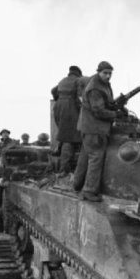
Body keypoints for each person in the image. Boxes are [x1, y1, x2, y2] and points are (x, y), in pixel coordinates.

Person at [73, 61, 118, 201]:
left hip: (90, 128)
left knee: (86, 157)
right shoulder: (95, 88)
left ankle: (77, 184)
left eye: (110, 73)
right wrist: (115, 114)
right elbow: (98, 111)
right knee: (96, 158)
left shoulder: (102, 84)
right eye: (105, 73)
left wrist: (116, 105)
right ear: (99, 72)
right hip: (95, 129)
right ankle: (89, 191)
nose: (108, 76)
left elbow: (106, 103)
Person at [52, 65, 88, 173]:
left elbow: (53, 90)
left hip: (58, 107)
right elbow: (79, 97)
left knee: (65, 134)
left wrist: (59, 99)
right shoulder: (78, 81)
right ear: (79, 74)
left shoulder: (62, 80)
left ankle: (60, 154)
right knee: (70, 139)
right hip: (70, 108)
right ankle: (65, 170)